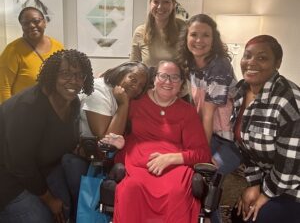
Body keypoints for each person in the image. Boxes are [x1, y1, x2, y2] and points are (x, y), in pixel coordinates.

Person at [0, 49, 94, 223]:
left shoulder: (72, 103)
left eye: (80, 75)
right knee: (42, 218)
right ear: (52, 75)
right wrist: (49, 199)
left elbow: (64, 140)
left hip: (41, 169)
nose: (74, 81)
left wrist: (82, 151)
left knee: (64, 209)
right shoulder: (28, 107)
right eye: (66, 74)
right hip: (8, 176)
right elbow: (20, 164)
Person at [113, 60, 211, 223]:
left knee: (176, 192)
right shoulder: (135, 103)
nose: (168, 82)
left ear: (181, 83)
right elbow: (121, 132)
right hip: (138, 165)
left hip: (174, 168)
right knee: (131, 189)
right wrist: (121, 142)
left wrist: (170, 158)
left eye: (174, 77)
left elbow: (202, 153)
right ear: (154, 78)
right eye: (163, 76)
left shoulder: (187, 111)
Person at [62, 61, 149, 218]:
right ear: (121, 72)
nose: (136, 87)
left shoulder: (124, 94)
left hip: (104, 156)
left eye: (141, 86)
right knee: (86, 207)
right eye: (133, 79)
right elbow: (106, 140)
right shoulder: (98, 90)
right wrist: (123, 104)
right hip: (85, 155)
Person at [177, 14, 242, 222]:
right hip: (209, 135)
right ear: (186, 38)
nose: (199, 40)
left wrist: (201, 154)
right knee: (187, 179)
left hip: (231, 143)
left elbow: (208, 113)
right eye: (194, 34)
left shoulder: (219, 66)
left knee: (204, 179)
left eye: (206, 35)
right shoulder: (191, 65)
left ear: (214, 39)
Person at [231, 35, 300, 223]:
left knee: (258, 217)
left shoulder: (288, 101)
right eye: (247, 56)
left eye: (262, 58)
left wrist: (265, 195)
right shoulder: (240, 91)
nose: (251, 62)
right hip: (268, 177)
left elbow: (290, 166)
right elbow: (246, 147)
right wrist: (254, 184)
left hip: (293, 184)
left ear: (277, 63)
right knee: (238, 215)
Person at [0, 6, 64, 103]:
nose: (32, 25)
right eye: (26, 23)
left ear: (44, 22)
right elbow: (3, 87)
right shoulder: (12, 51)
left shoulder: (58, 47)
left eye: (36, 21)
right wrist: (8, 114)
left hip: (53, 107)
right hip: (22, 110)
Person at [130, 0, 186, 67]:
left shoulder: (183, 28)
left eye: (166, 2)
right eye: (156, 1)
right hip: (148, 80)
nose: (160, 7)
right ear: (150, 4)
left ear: (173, 4)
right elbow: (133, 67)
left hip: (175, 80)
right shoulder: (140, 32)